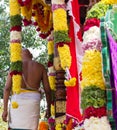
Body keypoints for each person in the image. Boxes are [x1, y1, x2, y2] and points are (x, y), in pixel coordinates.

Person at [2, 48, 51, 130]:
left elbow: (7, 88)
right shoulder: (40, 67)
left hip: (17, 102)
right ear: (31, 56)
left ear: (20, 56)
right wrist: (48, 108)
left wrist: (5, 110)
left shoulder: (14, 67)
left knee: (14, 127)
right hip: (33, 102)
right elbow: (48, 90)